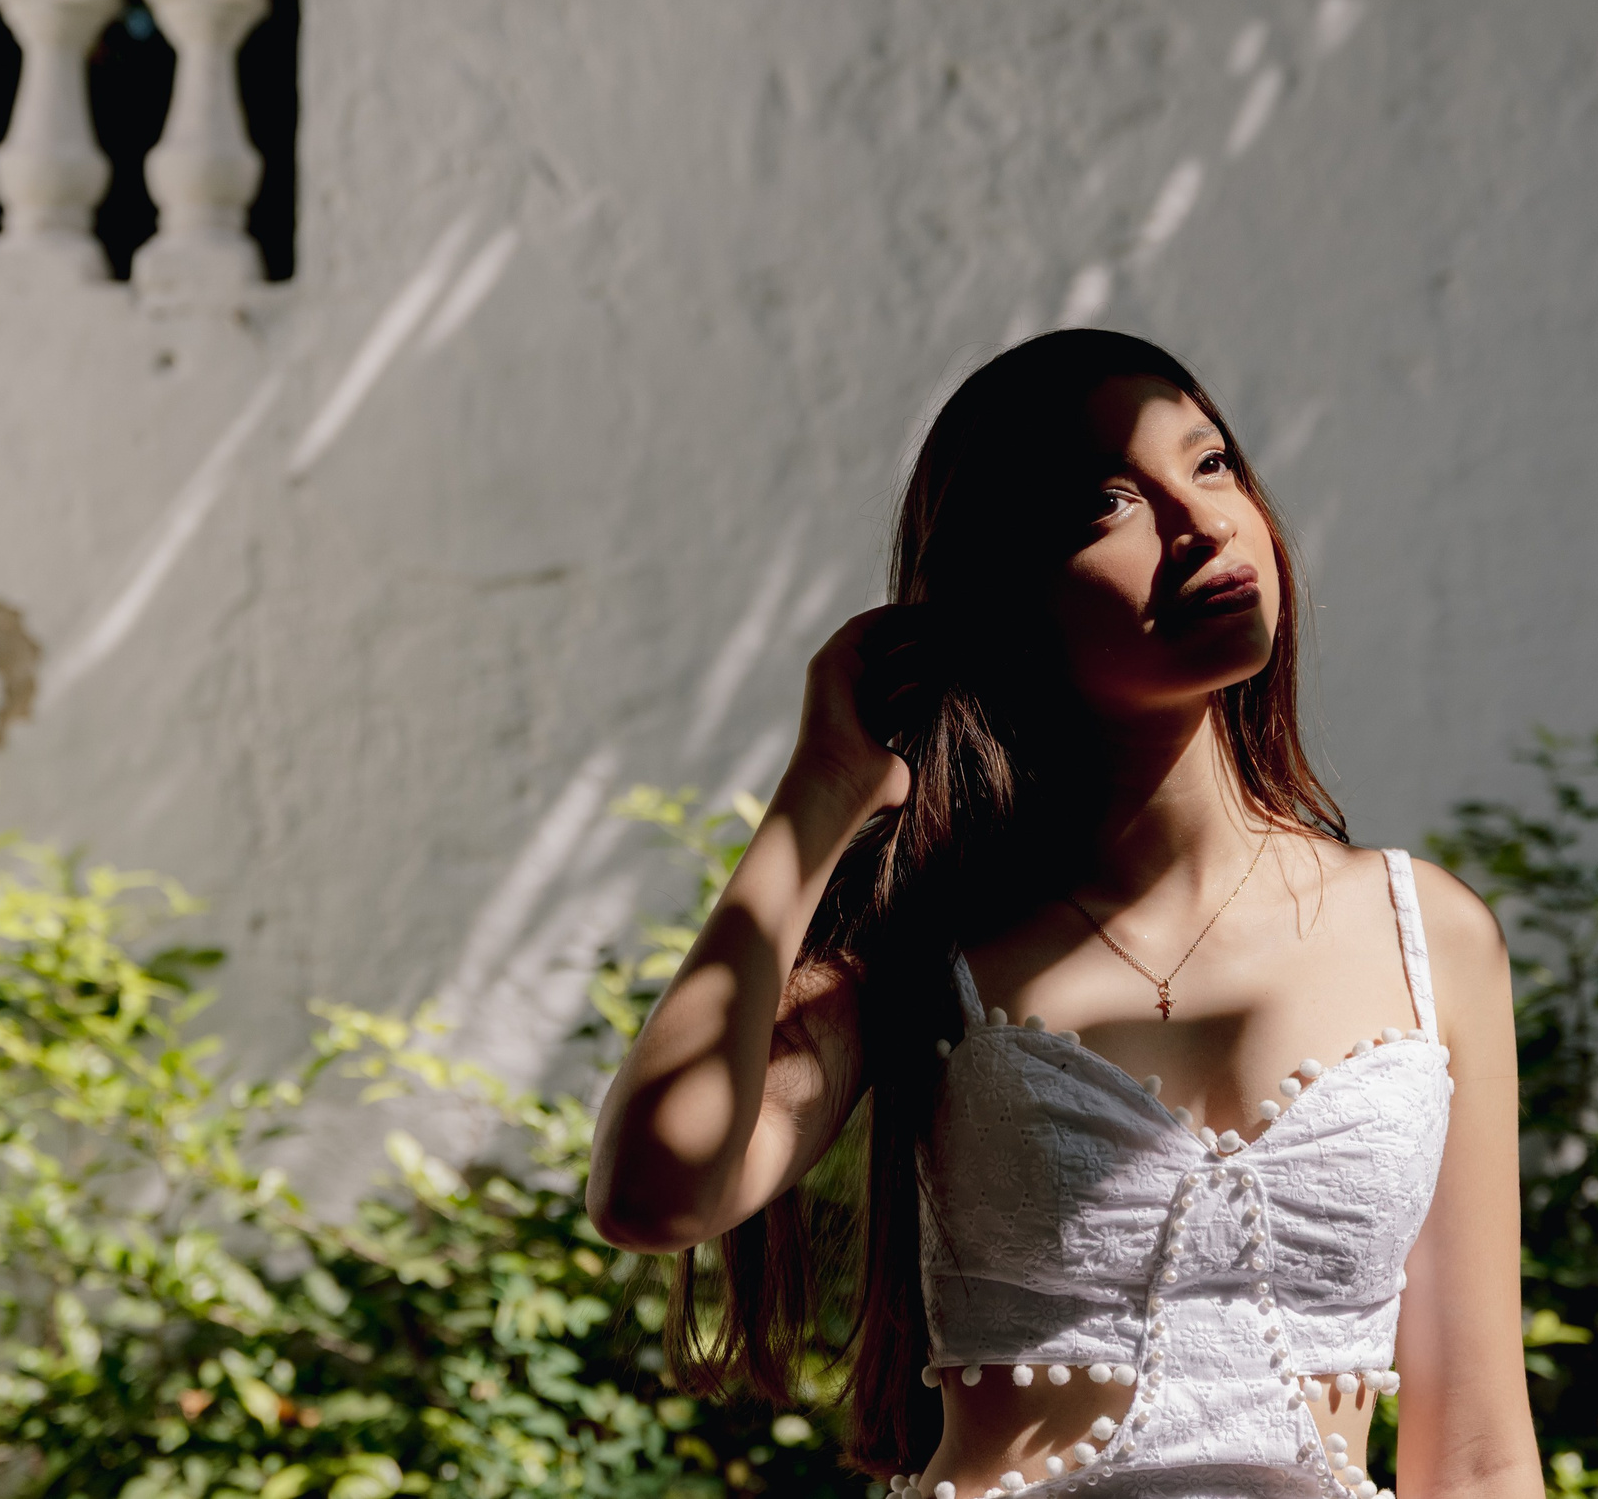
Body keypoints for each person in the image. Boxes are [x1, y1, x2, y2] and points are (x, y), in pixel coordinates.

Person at [588, 331, 1542, 1499]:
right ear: (1002, 591)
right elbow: (655, 1192)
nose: (1202, 526)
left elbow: (1485, 1454)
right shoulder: (923, 938)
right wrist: (817, 797)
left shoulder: (1428, 932)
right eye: (1108, 502)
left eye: (1210, 464)